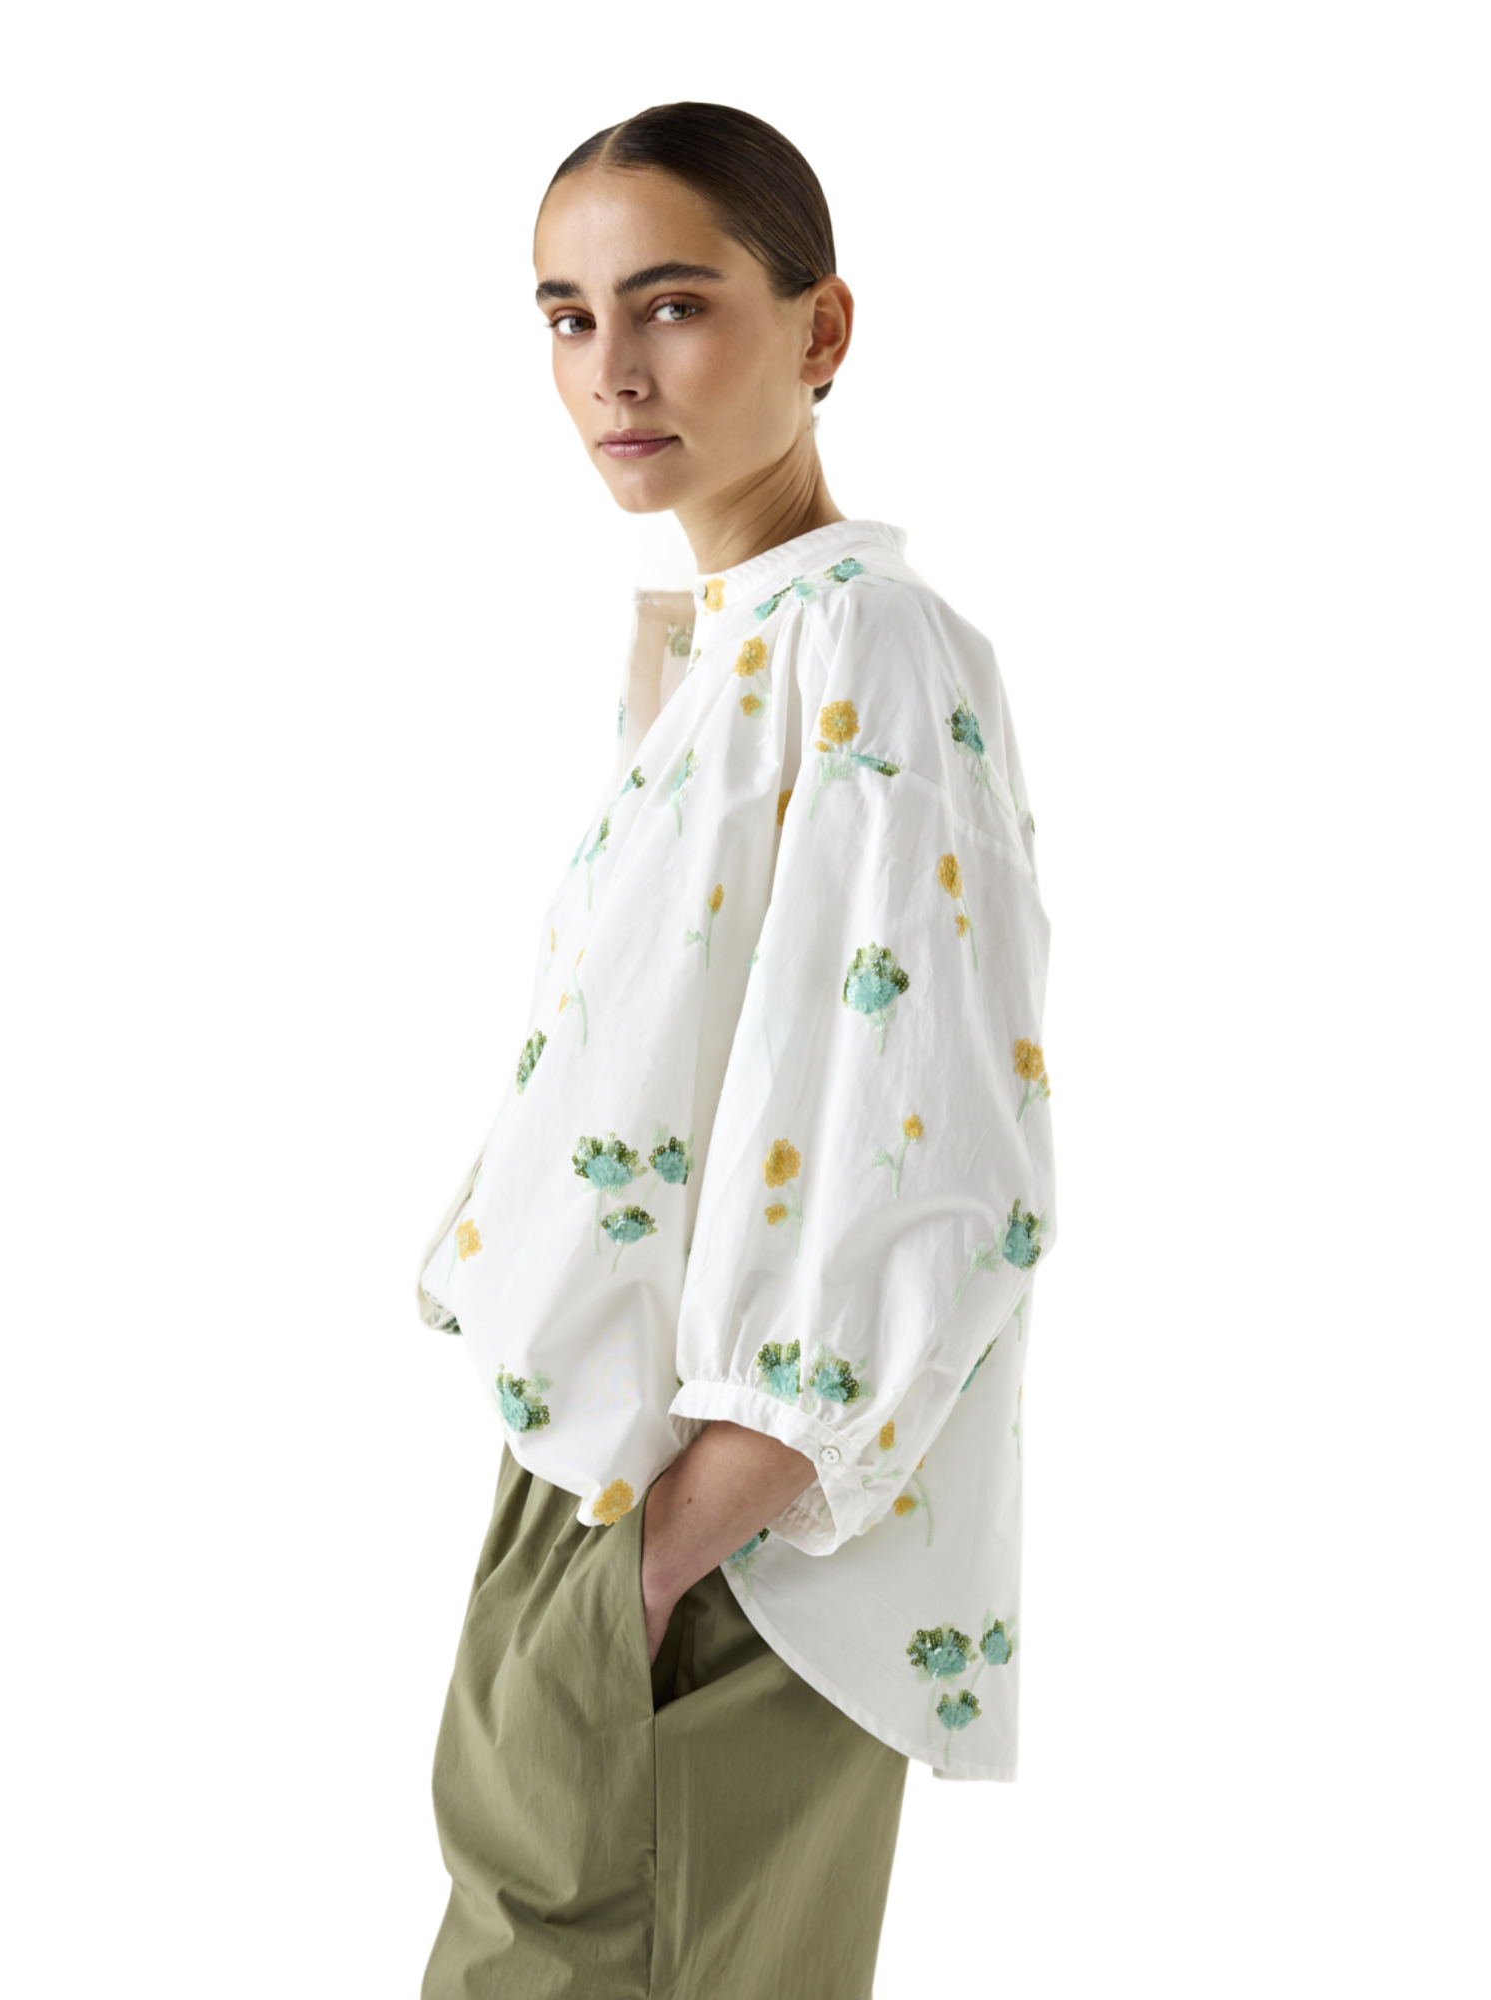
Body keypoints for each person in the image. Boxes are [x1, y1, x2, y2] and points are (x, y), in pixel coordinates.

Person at [415, 100, 1058, 2000]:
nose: (610, 370)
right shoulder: (734, 649)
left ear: (820, 328)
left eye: (674, 304)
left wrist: (681, 1542)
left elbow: (930, 1135)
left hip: (720, 1526)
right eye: (567, 314)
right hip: (612, 1494)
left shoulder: (872, 647)